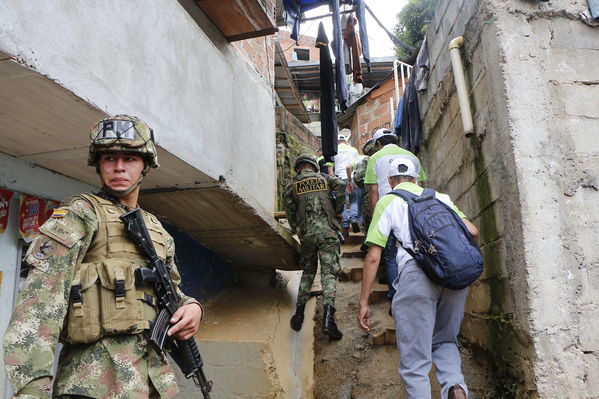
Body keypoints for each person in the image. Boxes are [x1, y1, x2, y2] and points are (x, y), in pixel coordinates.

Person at [3, 115, 203, 399]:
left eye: (130, 159)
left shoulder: (156, 229)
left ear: (146, 165)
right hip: (92, 383)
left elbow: (171, 292)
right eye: (110, 158)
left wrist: (193, 308)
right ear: (98, 164)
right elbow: (39, 305)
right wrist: (32, 391)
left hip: (155, 383)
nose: (119, 167)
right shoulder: (81, 214)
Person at [357, 156, 478, 399]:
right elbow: (472, 231)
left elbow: (373, 256)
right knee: (445, 341)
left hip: (416, 277)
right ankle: (455, 387)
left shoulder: (388, 201)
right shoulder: (440, 198)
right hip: (452, 277)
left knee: (415, 361)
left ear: (390, 181)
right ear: (417, 179)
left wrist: (364, 301)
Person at [283, 154, 346, 340]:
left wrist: (297, 229)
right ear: (313, 167)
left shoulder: (291, 185)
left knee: (308, 272)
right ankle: (328, 319)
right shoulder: (324, 179)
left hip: (307, 236)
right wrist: (338, 211)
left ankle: (299, 314)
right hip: (328, 233)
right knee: (328, 273)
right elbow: (341, 186)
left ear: (298, 168)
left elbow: (290, 210)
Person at [364, 128, 427, 302]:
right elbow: (421, 184)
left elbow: (373, 190)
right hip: (416, 210)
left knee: (391, 256)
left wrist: (376, 218)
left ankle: (395, 297)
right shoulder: (412, 157)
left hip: (389, 208)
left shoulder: (375, 158)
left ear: (378, 143)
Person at [346, 138, 376, 235]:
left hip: (365, 190)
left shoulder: (362, 159)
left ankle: (355, 220)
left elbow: (353, 171)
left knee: (357, 203)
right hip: (385, 194)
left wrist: (351, 182)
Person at [332, 132, 360, 235]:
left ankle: (344, 225)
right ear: (345, 141)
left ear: (337, 141)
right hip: (353, 178)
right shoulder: (354, 150)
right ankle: (354, 219)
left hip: (340, 179)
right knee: (354, 201)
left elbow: (331, 168)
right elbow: (357, 164)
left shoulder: (334, 150)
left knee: (342, 203)